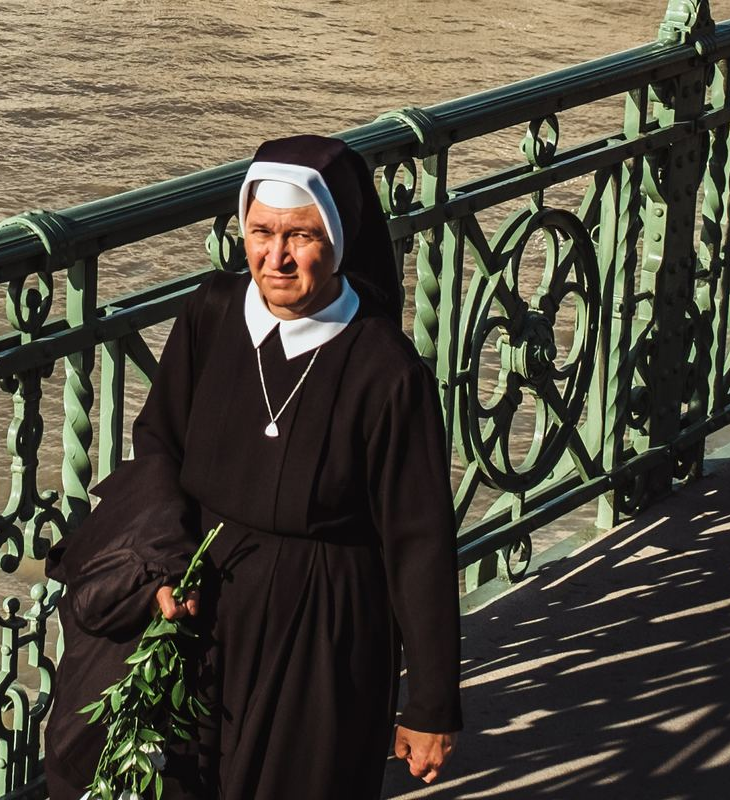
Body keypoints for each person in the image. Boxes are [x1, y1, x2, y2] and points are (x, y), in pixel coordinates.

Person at [44, 134, 462, 799]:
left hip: (324, 634)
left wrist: (431, 705)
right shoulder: (211, 313)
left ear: (339, 238)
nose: (276, 257)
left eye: (301, 236)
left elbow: (420, 542)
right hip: (199, 612)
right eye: (261, 232)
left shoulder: (386, 368)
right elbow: (159, 447)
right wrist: (162, 569)